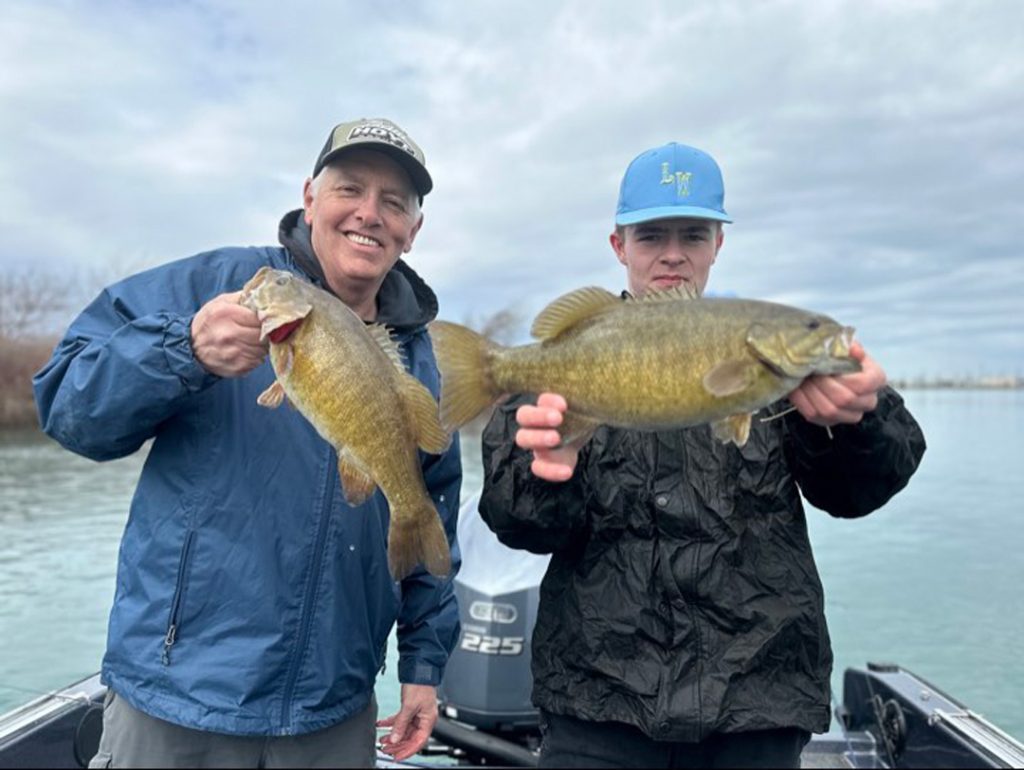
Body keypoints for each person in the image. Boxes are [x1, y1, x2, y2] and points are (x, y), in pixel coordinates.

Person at [477, 142, 926, 768]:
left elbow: (861, 490)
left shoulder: (784, 376)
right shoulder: (572, 360)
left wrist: (860, 421)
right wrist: (548, 476)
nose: (672, 253)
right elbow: (513, 520)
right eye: (651, 235)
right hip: (598, 705)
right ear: (618, 246)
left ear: (719, 243)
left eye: (692, 234)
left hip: (756, 707)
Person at [33, 118, 462, 768]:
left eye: (395, 201)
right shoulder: (218, 286)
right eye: (350, 188)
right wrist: (184, 350)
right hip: (178, 702)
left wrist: (424, 667)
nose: (370, 214)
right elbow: (66, 405)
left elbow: (436, 522)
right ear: (310, 198)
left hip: (336, 713)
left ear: (413, 228)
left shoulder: (421, 359)